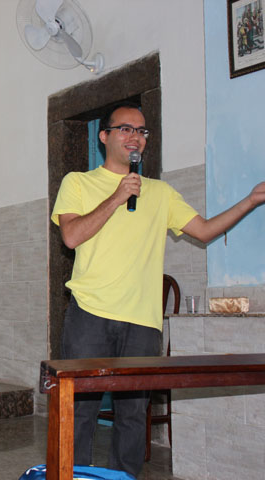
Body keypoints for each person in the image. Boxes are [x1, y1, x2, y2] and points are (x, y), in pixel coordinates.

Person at [51, 101, 265, 477]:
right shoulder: (78, 182)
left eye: (142, 131)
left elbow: (204, 230)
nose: (135, 137)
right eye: (126, 129)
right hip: (90, 313)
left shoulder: (160, 192)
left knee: (133, 414)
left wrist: (251, 200)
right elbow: (71, 236)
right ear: (104, 136)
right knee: (80, 410)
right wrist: (117, 197)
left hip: (142, 320)